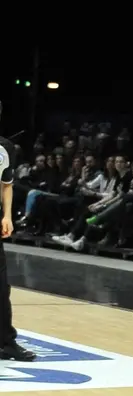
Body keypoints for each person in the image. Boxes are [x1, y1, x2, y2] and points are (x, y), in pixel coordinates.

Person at [0, 101, 36, 362]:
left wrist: (7, 215)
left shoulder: (6, 147)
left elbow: (6, 185)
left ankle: (6, 342)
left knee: (1, 288)